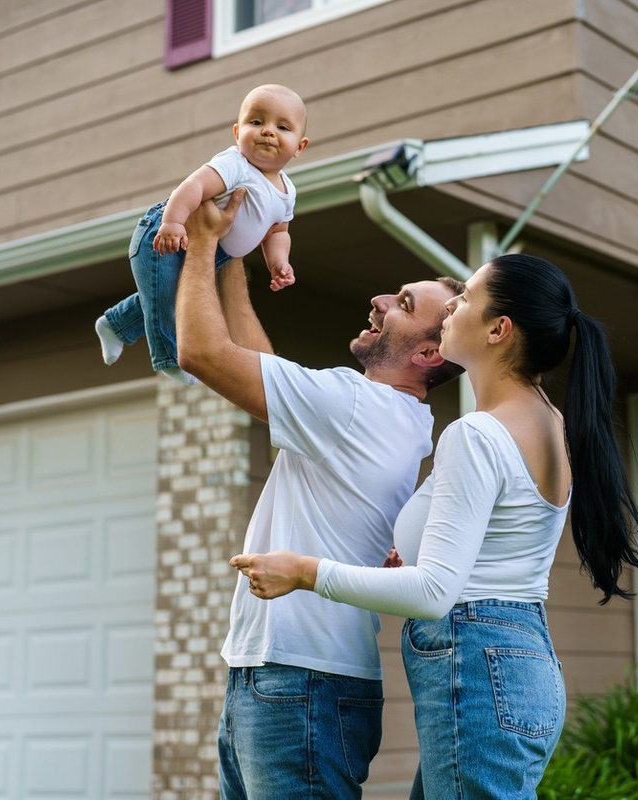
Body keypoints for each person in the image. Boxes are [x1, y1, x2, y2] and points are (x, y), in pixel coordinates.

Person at [232, 252, 638, 799]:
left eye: (467, 300)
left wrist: (306, 571)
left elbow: (436, 591)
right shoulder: (549, 420)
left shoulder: (478, 434)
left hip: (479, 667)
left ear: (499, 329)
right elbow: (486, 552)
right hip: (520, 659)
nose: (452, 307)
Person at [174, 188, 465, 800]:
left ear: (428, 352)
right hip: (293, 678)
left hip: (299, 681)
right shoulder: (397, 417)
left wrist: (201, 241)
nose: (381, 300)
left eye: (404, 303)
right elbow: (258, 365)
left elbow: (201, 352)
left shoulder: (356, 405)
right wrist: (234, 258)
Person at [96, 84, 310, 384]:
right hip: (167, 236)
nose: (268, 132)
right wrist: (171, 223)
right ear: (237, 132)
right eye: (256, 122)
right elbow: (193, 187)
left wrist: (279, 262)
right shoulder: (236, 164)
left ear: (299, 146)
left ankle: (115, 325)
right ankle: (169, 358)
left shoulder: (288, 191)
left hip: (212, 254)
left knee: (164, 295)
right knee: (168, 301)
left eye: (282, 127)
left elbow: (278, 232)